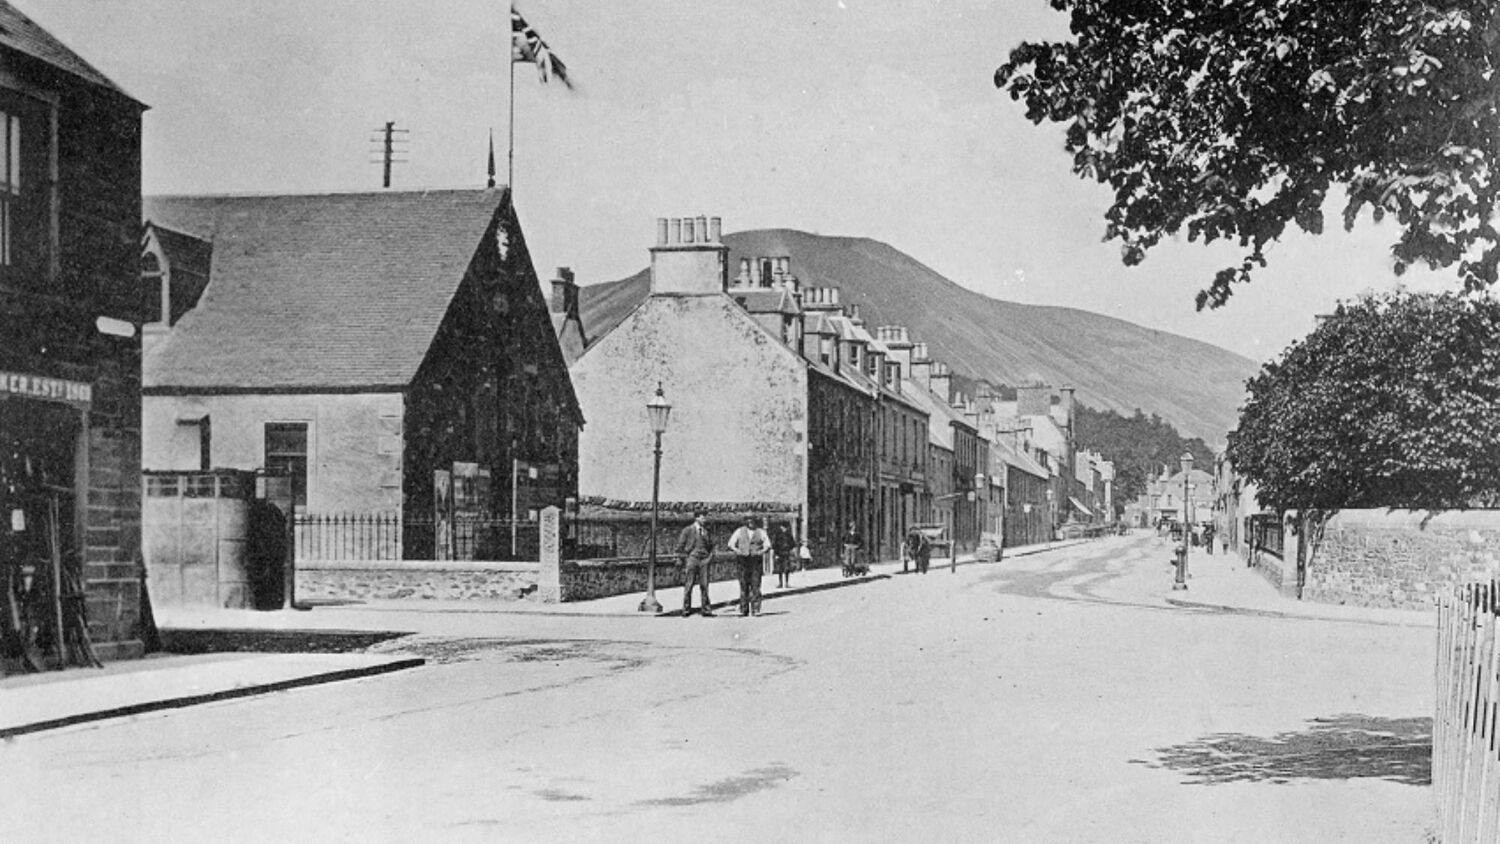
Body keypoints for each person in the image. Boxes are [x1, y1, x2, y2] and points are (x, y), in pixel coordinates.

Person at [674, 510, 715, 617]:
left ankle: (706, 609)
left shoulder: (707, 531)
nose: (704, 519)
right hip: (692, 559)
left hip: (704, 560)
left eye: (705, 517)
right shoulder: (688, 530)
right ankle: (686, 609)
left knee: (705, 585)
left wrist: (709, 557)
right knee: (689, 584)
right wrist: (680, 558)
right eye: (702, 517)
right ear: (696, 518)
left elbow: (711, 546)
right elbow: (680, 546)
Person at [727, 515, 770, 616]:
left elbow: (767, 545)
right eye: (748, 520)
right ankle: (744, 609)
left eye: (753, 520)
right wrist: (738, 551)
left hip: (755, 561)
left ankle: (755, 609)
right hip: (743, 561)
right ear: (746, 521)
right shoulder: (739, 531)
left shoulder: (761, 532)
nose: (751, 522)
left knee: (755, 585)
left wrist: (761, 551)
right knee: (744, 585)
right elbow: (731, 544)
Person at [771, 522, 797, 589]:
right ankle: (780, 583)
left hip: (786, 553)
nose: (782, 528)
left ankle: (786, 583)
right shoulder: (778, 534)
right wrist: (776, 554)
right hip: (780, 553)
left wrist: (790, 550)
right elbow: (774, 545)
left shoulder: (789, 535)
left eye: (783, 527)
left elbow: (793, 544)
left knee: (787, 569)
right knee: (780, 569)